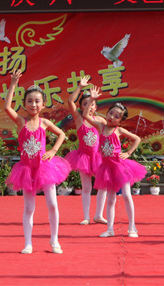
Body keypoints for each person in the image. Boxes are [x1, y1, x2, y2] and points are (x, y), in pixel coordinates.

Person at [4, 70, 70, 254]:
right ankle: (28, 243)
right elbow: (7, 108)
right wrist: (13, 84)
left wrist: (53, 151)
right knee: (29, 208)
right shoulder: (21, 121)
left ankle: (54, 240)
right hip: (26, 170)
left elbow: (61, 134)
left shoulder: (45, 123)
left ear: (43, 104)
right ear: (25, 104)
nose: (33, 104)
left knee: (52, 204)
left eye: (37, 101)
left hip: (45, 168)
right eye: (30, 101)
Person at [82, 100, 144, 238]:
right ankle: (110, 229)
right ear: (107, 112)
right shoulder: (100, 127)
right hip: (107, 169)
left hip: (120, 167)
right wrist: (91, 99)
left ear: (120, 121)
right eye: (110, 113)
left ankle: (132, 227)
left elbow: (137, 139)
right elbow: (85, 115)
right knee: (110, 199)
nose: (111, 117)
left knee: (126, 195)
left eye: (117, 116)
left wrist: (128, 153)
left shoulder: (119, 130)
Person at [64, 76, 107, 225]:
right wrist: (80, 87)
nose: (89, 106)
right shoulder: (78, 118)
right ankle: (86, 217)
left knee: (103, 186)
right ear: (81, 107)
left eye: (92, 103)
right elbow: (70, 102)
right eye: (85, 103)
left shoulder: (100, 121)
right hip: (83, 157)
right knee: (86, 187)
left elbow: (108, 137)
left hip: (99, 157)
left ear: (96, 107)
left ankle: (99, 215)